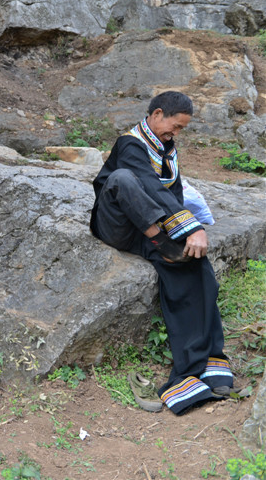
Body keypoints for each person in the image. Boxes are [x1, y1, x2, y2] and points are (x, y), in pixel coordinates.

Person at [90, 91, 233, 415]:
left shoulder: (166, 148)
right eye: (175, 126)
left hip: (151, 225)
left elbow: (174, 192)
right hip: (119, 226)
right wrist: (189, 228)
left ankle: (203, 365)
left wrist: (189, 232)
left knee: (197, 270)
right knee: (122, 178)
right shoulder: (130, 143)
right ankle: (162, 241)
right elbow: (148, 186)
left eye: (181, 129)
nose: (176, 134)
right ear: (156, 114)